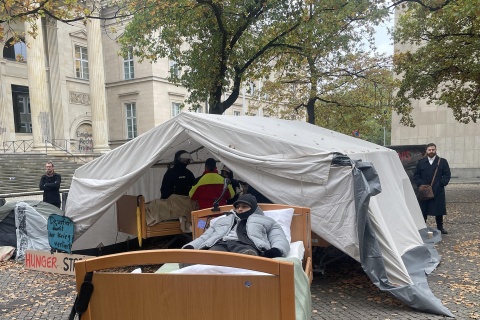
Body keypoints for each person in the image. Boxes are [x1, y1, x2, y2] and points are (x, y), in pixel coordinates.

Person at [183, 194, 289, 257]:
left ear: (253, 208)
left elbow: (278, 237)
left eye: (244, 206)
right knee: (212, 255)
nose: (240, 209)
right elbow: (205, 237)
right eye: (237, 206)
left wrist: (277, 250)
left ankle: (247, 262)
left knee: (247, 254)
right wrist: (192, 246)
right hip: (221, 244)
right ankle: (195, 264)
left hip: (246, 244)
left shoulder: (266, 221)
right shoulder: (222, 221)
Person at [413, 143, 451, 234]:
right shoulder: (421, 162)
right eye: (429, 150)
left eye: (433, 150)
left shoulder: (442, 161)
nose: (431, 151)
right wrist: (420, 185)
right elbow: (416, 175)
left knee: (439, 210)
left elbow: (447, 175)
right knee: (423, 210)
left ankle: (440, 227)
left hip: (438, 190)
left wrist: (441, 184)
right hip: (424, 190)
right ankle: (423, 227)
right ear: (426, 150)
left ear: (435, 150)